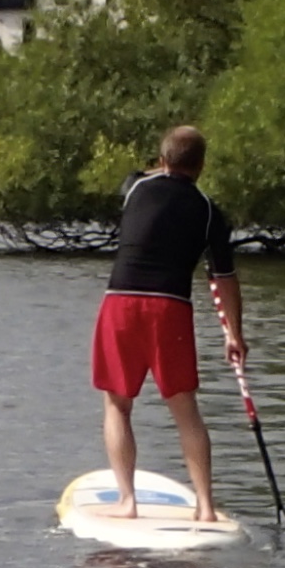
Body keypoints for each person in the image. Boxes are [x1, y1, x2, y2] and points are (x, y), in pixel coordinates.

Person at [91, 124, 246, 523]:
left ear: (161, 161)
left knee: (117, 404)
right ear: (202, 166)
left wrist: (162, 164)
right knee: (185, 409)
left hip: (120, 302)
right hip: (170, 308)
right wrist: (234, 335)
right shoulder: (210, 211)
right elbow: (224, 280)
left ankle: (127, 501)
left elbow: (138, 176)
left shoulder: (135, 189)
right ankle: (206, 507)